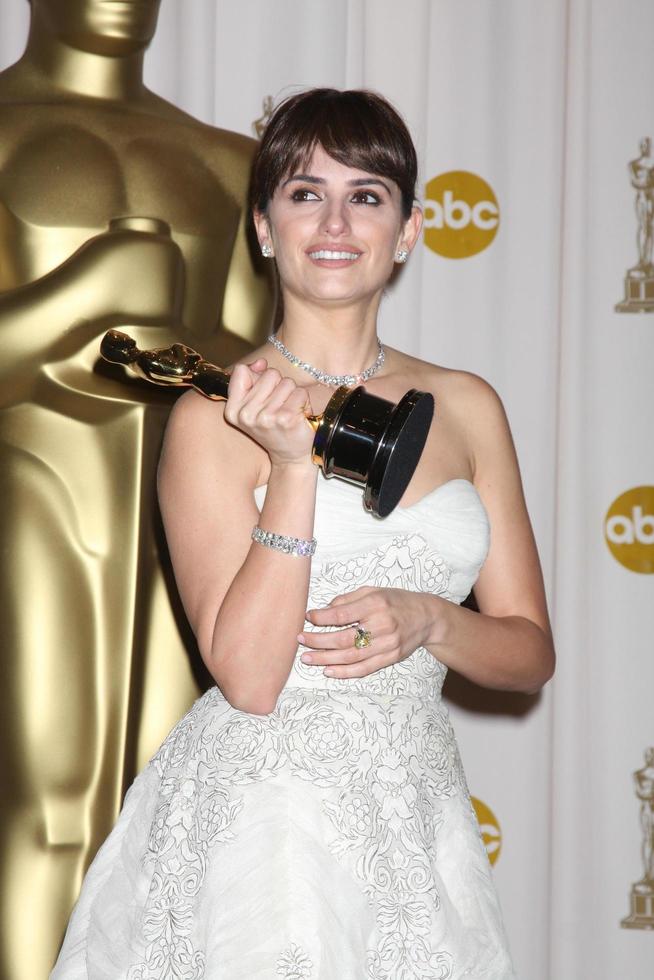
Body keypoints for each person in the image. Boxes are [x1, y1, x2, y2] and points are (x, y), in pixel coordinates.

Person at [51, 88, 555, 979]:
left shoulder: (469, 406)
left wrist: (432, 619)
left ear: (407, 230)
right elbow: (247, 677)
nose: (335, 220)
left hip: (418, 816)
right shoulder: (215, 415)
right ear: (262, 225)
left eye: (367, 195)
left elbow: (527, 654)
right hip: (265, 819)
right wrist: (292, 468)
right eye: (303, 191)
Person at [0, 1, 271, 973]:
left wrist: (170, 348)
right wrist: (80, 298)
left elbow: (261, 376)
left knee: (173, 815)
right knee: (51, 804)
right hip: (31, 494)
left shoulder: (232, 165)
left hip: (192, 524)